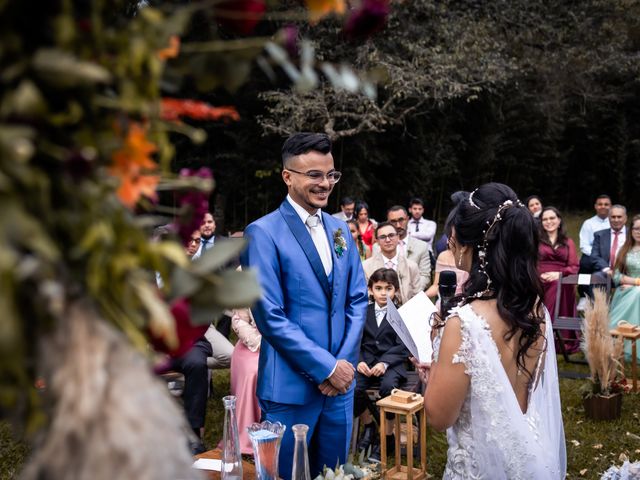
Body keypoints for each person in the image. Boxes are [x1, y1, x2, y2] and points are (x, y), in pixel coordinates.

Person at [414, 182, 566, 479]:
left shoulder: (463, 324)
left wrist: (434, 371)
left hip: (482, 467)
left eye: (454, 231)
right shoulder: (536, 310)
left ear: (472, 243)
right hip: (531, 456)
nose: (450, 239)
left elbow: (439, 417)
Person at [240, 132, 368, 479]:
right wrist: (327, 367)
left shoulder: (340, 230)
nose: (325, 183)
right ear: (287, 176)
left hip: (340, 390)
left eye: (330, 175)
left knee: (335, 473)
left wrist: (343, 365)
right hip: (291, 390)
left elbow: (358, 298)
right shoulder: (262, 233)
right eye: (314, 175)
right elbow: (269, 316)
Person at [354, 268, 409, 463]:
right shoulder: (363, 312)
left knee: (388, 388)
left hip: (391, 364)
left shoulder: (401, 315)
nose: (383, 293)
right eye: (378, 288)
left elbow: (404, 347)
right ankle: (369, 426)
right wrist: (359, 360)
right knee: (354, 389)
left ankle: (387, 436)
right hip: (366, 363)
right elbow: (356, 340)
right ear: (370, 290)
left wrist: (385, 363)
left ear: (395, 290)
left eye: (388, 288)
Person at [537, 207, 580, 352]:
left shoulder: (568, 242)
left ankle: (549, 333)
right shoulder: (537, 241)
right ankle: (543, 331)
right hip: (540, 278)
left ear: (559, 220)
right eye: (545, 219)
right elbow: (531, 262)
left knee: (557, 284)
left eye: (552, 218)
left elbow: (574, 266)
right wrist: (539, 275)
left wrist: (559, 274)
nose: (549, 222)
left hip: (561, 280)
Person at [374, 205, 431, 290]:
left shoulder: (421, 246)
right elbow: (374, 273)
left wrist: (411, 293)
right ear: (388, 222)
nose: (398, 225)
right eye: (393, 221)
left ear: (407, 219)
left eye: (401, 220)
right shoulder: (377, 247)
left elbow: (424, 275)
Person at [363, 222, 421, 304]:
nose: (387, 240)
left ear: (398, 237)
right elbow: (365, 296)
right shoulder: (366, 266)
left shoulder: (411, 266)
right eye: (382, 237)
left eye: (391, 235)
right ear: (377, 241)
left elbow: (417, 296)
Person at [229, 307, 261, 455]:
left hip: (286, 343)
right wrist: (262, 344)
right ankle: (248, 433)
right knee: (253, 370)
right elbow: (239, 321)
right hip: (253, 345)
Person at [609, 214, 640, 360]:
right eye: (636, 228)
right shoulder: (624, 250)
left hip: (634, 290)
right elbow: (615, 276)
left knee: (637, 292)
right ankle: (614, 343)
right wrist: (630, 283)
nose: (639, 231)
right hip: (625, 291)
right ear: (631, 230)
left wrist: (634, 283)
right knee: (635, 292)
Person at [577, 195, 612, 303]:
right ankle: (584, 294)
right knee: (585, 262)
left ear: (611, 206)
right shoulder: (588, 223)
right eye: (600, 204)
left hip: (611, 256)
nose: (603, 206)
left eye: (606, 204)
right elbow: (584, 245)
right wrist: (597, 256)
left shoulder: (614, 222)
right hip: (592, 256)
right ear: (595, 206)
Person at [590, 205, 628, 276]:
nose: (616, 220)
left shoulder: (632, 234)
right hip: (606, 272)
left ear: (625, 218)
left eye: (619, 217)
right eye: (613, 217)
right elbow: (594, 256)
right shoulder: (599, 235)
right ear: (609, 218)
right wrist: (607, 269)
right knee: (596, 277)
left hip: (627, 272)